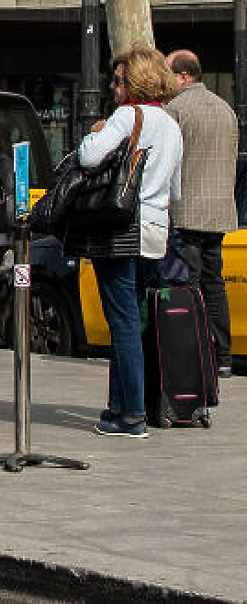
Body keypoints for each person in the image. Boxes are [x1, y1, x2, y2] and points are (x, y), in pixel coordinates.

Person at [75, 47, 185, 437]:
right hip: (155, 228)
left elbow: (89, 158)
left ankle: (132, 413)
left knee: (120, 319)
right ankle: (120, 406)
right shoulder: (171, 124)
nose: (112, 85)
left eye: (118, 79)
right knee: (132, 317)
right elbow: (175, 187)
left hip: (121, 226)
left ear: (134, 82)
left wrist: (97, 133)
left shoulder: (127, 116)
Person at [164, 49, 237, 378]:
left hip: (187, 210)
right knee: (214, 283)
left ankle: (193, 354)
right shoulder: (226, 109)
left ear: (183, 76)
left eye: (168, 74)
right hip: (219, 210)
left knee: (189, 285)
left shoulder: (176, 109)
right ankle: (223, 355)